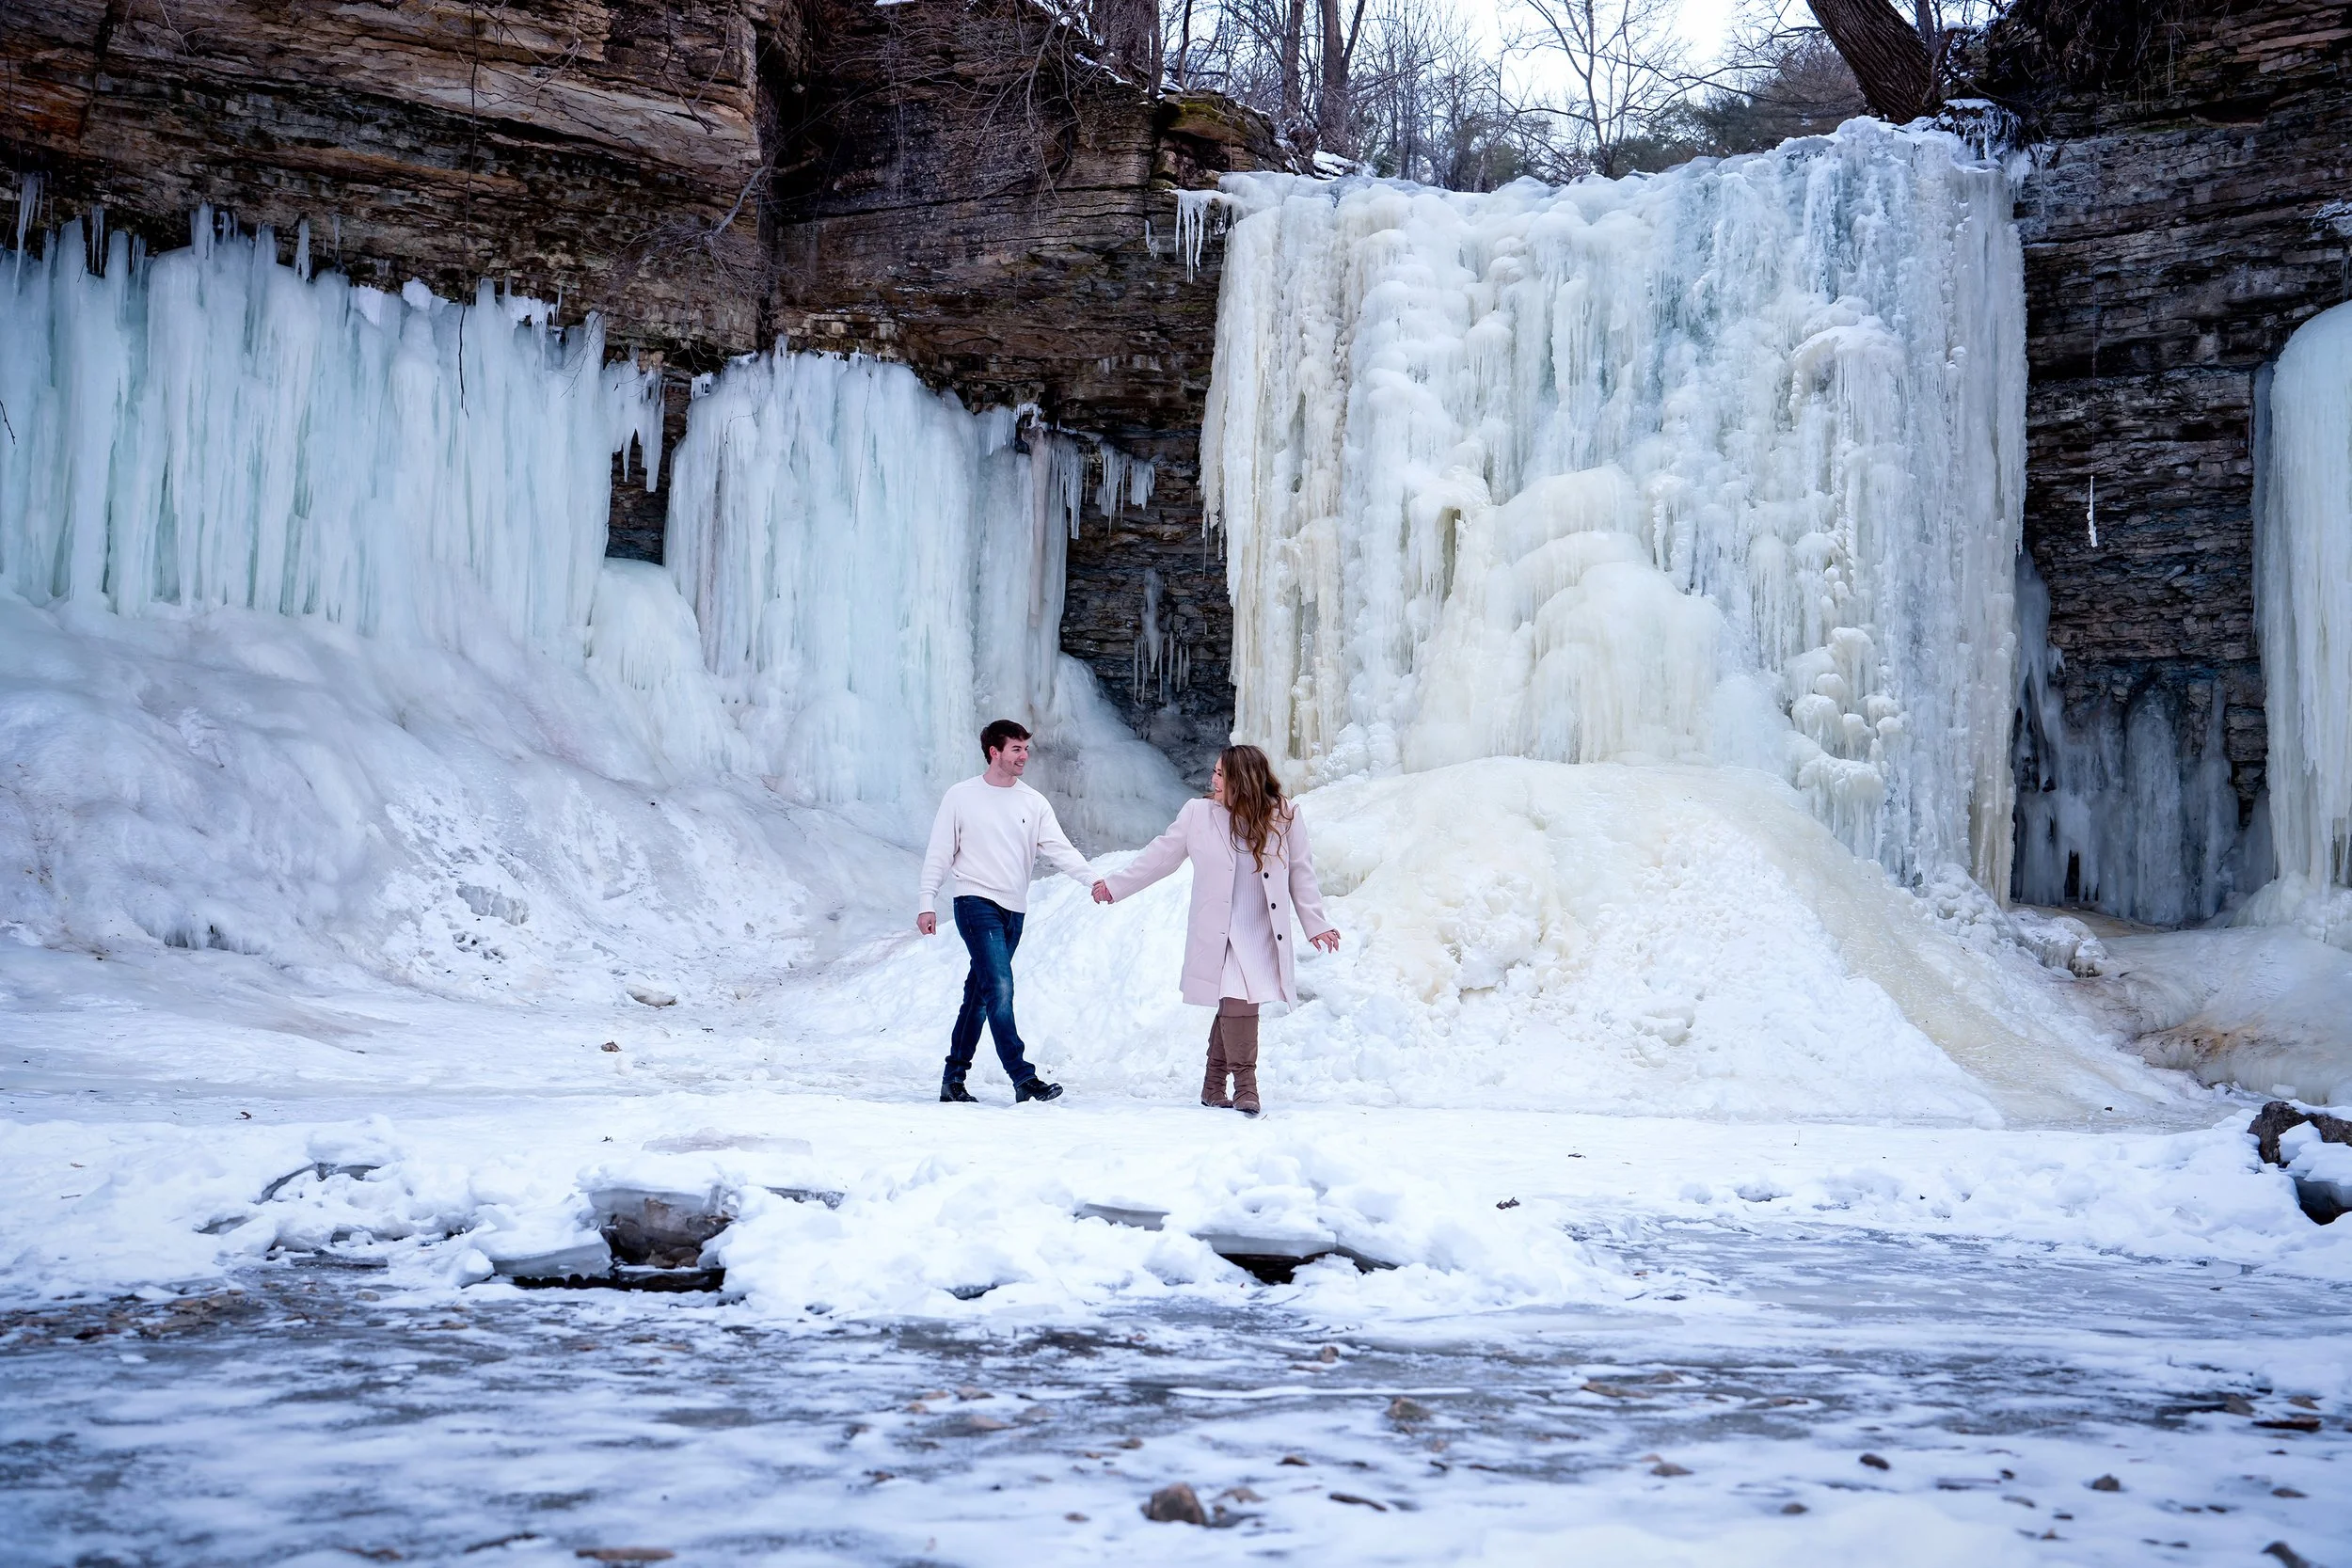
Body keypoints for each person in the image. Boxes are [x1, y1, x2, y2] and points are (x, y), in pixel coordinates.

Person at [1091, 743, 1339, 1117]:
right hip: (1217, 931)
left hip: (1258, 929)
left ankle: (1213, 1085)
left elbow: (1301, 872)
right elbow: (1160, 857)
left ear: (1244, 779)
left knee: (1235, 1003)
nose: (1213, 779)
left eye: (1222, 773)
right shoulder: (1198, 814)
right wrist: (1116, 886)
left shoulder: (1284, 815)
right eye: (1215, 771)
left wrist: (1316, 923)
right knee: (1236, 1002)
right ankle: (1245, 1088)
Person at [918, 719, 1094, 1104]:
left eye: (1026, 749)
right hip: (974, 901)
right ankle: (1023, 1077)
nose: (1024, 756)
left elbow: (1060, 848)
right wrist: (926, 902)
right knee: (999, 987)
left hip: (1014, 910)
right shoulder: (961, 796)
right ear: (994, 752)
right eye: (1016, 749)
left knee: (978, 996)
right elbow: (939, 852)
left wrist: (1092, 880)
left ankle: (953, 1079)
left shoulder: (1033, 802)